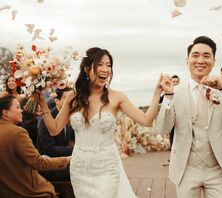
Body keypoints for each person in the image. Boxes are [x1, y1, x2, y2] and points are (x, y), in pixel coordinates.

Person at [35, 47, 164, 197]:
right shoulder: (72, 97)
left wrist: (157, 92)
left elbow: (147, 120)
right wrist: (42, 102)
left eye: (108, 65)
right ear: (87, 69)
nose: (105, 69)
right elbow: (54, 129)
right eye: (100, 64)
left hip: (107, 167)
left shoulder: (117, 97)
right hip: (80, 167)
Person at [156, 36, 222, 198]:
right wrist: (168, 96)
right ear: (187, 60)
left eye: (206, 56)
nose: (200, 60)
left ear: (214, 61)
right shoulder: (175, 92)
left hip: (218, 168)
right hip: (185, 168)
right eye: (195, 55)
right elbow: (163, 128)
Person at [0, 95, 70, 197]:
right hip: (25, 191)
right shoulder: (17, 132)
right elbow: (38, 163)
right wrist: (67, 160)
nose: (21, 111)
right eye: (18, 107)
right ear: (5, 112)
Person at [37, 87, 75, 182]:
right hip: (50, 167)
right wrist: (76, 149)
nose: (70, 101)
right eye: (66, 98)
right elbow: (48, 150)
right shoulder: (47, 120)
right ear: (57, 101)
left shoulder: (71, 117)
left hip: (65, 162)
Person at [159, 75, 180, 149]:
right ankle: (172, 156)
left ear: (179, 82)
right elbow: (159, 100)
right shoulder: (167, 92)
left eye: (177, 81)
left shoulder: (182, 92)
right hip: (171, 117)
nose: (175, 83)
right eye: (173, 81)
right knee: (172, 135)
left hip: (181, 117)